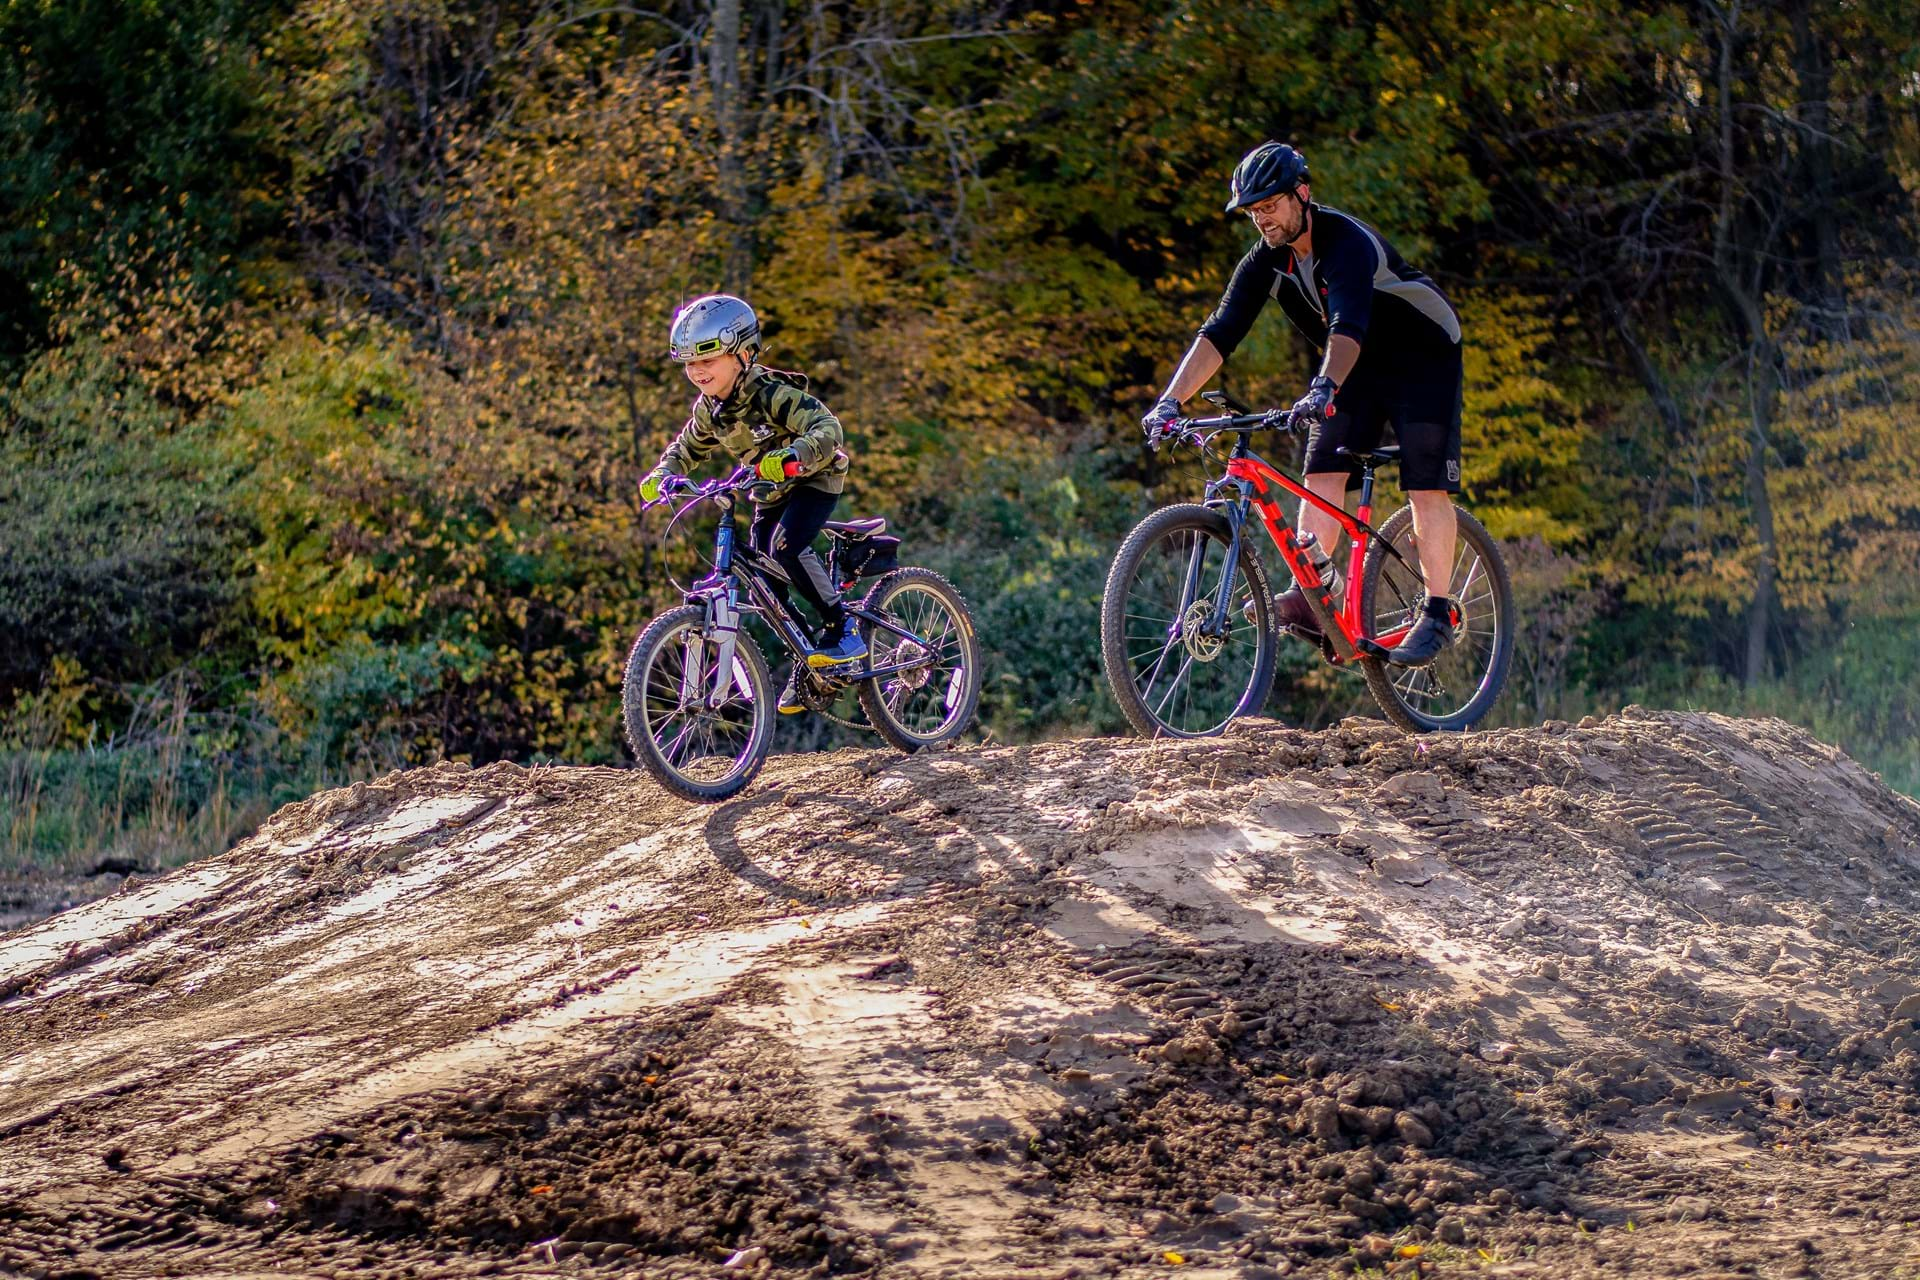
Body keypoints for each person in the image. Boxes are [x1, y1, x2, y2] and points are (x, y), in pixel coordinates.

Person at [1142, 142, 1465, 667]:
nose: (1261, 219)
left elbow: (1348, 324)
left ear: (1303, 195)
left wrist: (1322, 388)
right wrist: (1168, 402)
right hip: (1355, 363)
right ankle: (1315, 597)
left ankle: (1437, 610)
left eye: (1270, 206)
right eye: (1253, 211)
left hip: (1424, 353)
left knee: (1424, 481)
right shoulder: (1265, 261)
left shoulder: (1346, 243)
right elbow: (1220, 333)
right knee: (1322, 469)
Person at [639, 293, 865, 715]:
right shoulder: (710, 411)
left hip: (814, 479)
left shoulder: (771, 393)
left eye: (709, 360)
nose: (698, 371)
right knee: (765, 578)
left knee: (786, 547)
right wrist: (662, 475)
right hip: (767, 491)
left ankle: (842, 628)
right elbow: (685, 448)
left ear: (744, 353)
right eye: (690, 363)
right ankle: (813, 664)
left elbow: (827, 427)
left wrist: (795, 455)